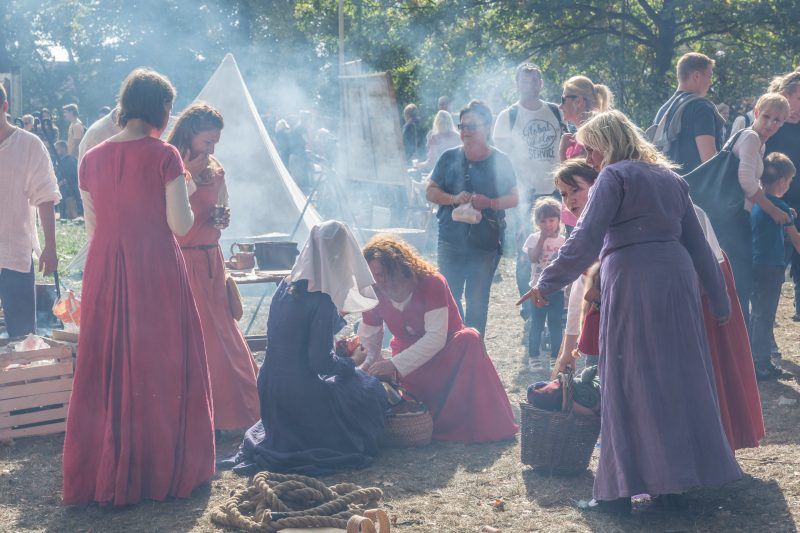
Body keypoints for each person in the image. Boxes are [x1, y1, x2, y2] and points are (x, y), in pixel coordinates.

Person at [521, 110, 741, 514]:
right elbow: (697, 245)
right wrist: (720, 301)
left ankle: (618, 494)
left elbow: (585, 238)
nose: (589, 158)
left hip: (633, 281)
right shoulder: (672, 179)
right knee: (674, 378)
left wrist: (546, 282)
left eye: (591, 148)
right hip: (677, 282)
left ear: (607, 142)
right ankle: (674, 485)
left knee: (626, 379)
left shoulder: (614, 176)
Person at [63, 68, 215, 506]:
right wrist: (186, 184)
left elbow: (95, 227)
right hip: (154, 267)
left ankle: (107, 469)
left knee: (108, 364)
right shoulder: (166, 155)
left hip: (105, 268)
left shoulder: (90, 158)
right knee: (159, 364)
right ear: (162, 110)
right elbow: (180, 226)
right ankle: (158, 469)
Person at [227, 221, 388, 476]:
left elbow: (294, 340)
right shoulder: (321, 299)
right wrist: (352, 362)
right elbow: (320, 364)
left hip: (270, 385)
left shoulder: (285, 285)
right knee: (367, 389)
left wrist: (336, 349)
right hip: (298, 393)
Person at [361, 235, 518, 442]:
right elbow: (370, 340)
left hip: (448, 355)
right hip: (410, 361)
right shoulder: (372, 292)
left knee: (470, 338)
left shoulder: (430, 282)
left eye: (381, 274)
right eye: (372, 276)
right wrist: (364, 369)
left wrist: (393, 364)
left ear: (397, 267)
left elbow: (436, 338)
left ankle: (461, 422)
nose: (378, 281)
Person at [167, 103, 261, 431]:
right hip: (182, 259)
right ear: (190, 134)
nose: (212, 149)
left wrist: (223, 216)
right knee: (200, 336)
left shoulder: (216, 169)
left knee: (224, 330)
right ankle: (204, 418)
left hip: (212, 258)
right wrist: (188, 178)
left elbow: (221, 203)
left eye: (215, 143)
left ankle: (242, 410)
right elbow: (167, 218)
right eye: (208, 141)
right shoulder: (169, 164)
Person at [426, 100, 519, 336]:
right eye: (462, 126)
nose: (466, 132)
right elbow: (431, 191)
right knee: (449, 297)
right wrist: (454, 198)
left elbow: (514, 197)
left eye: (472, 126)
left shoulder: (500, 160)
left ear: (487, 127)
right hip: (451, 240)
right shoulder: (448, 158)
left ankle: (475, 351)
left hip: (485, 242)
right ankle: (456, 345)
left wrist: (490, 203)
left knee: (477, 301)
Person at [493, 63, 564, 326]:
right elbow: (499, 161)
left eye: (534, 81)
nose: (530, 86)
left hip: (555, 193)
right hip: (525, 198)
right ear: (517, 84)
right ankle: (530, 312)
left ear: (541, 84)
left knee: (556, 250)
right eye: (525, 81)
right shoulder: (508, 116)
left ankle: (555, 304)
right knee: (528, 253)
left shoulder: (555, 112)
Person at [720, 93, 792, 327]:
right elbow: (747, 184)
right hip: (733, 220)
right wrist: (773, 210)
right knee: (739, 286)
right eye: (768, 116)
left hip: (735, 218)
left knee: (740, 286)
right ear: (756, 112)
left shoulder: (758, 142)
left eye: (778, 120)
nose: (772, 124)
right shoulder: (751, 138)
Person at [0, 83, 60, 337]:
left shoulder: (29, 145)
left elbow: (45, 196)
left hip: (15, 252)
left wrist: (51, 246)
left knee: (22, 335)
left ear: (4, 107)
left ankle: (25, 376)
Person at [750, 153, 800, 379]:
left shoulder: (759, 202)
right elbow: (795, 239)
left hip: (756, 264)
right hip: (770, 267)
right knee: (765, 316)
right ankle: (760, 364)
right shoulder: (777, 206)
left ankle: (759, 359)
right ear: (781, 181)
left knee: (759, 314)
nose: (789, 185)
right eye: (789, 181)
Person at [549, 160, 599, 374]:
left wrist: (568, 352)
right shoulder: (583, 228)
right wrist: (567, 352)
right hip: (598, 324)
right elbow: (581, 290)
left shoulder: (605, 227)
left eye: (576, 189)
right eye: (563, 194)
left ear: (597, 186)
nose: (570, 199)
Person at [765, 70, 800, 321]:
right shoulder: (771, 124)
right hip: (775, 205)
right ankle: (765, 326)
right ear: (787, 95)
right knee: (775, 269)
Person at [651, 52, 724, 173]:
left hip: (666, 186)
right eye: (710, 76)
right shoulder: (701, 107)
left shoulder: (662, 111)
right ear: (696, 76)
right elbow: (709, 160)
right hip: (694, 189)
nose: (711, 82)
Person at [523, 197, 565, 360]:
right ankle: (534, 357)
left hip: (557, 289)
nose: (548, 225)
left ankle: (556, 357)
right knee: (537, 324)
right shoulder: (533, 238)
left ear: (559, 220)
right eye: (543, 221)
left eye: (552, 220)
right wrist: (542, 238)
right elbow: (533, 258)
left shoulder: (563, 241)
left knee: (555, 324)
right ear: (537, 222)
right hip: (537, 288)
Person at [558, 76, 614, 161]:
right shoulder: (589, 134)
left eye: (563, 100)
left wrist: (562, 153)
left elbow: (579, 173)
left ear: (578, 102)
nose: (560, 106)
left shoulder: (591, 138)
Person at [54, 140, 81, 219]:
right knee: (63, 214)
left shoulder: (70, 160)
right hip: (63, 191)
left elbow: (71, 177)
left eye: (57, 149)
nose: (56, 152)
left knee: (70, 213)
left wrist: (59, 184)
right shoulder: (60, 161)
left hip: (69, 191)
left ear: (63, 149)